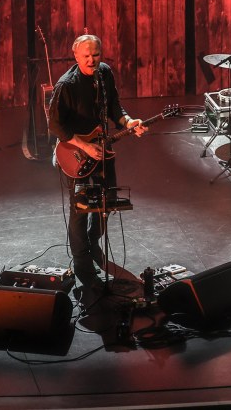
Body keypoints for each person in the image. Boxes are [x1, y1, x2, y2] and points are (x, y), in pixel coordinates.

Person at [48, 34, 146, 284]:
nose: (92, 60)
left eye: (96, 55)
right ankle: (81, 262)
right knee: (80, 207)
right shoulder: (66, 85)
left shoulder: (105, 73)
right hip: (75, 153)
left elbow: (115, 107)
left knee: (107, 201)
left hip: (102, 149)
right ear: (76, 56)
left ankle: (93, 243)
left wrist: (128, 122)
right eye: (86, 56)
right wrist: (84, 146)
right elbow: (54, 124)